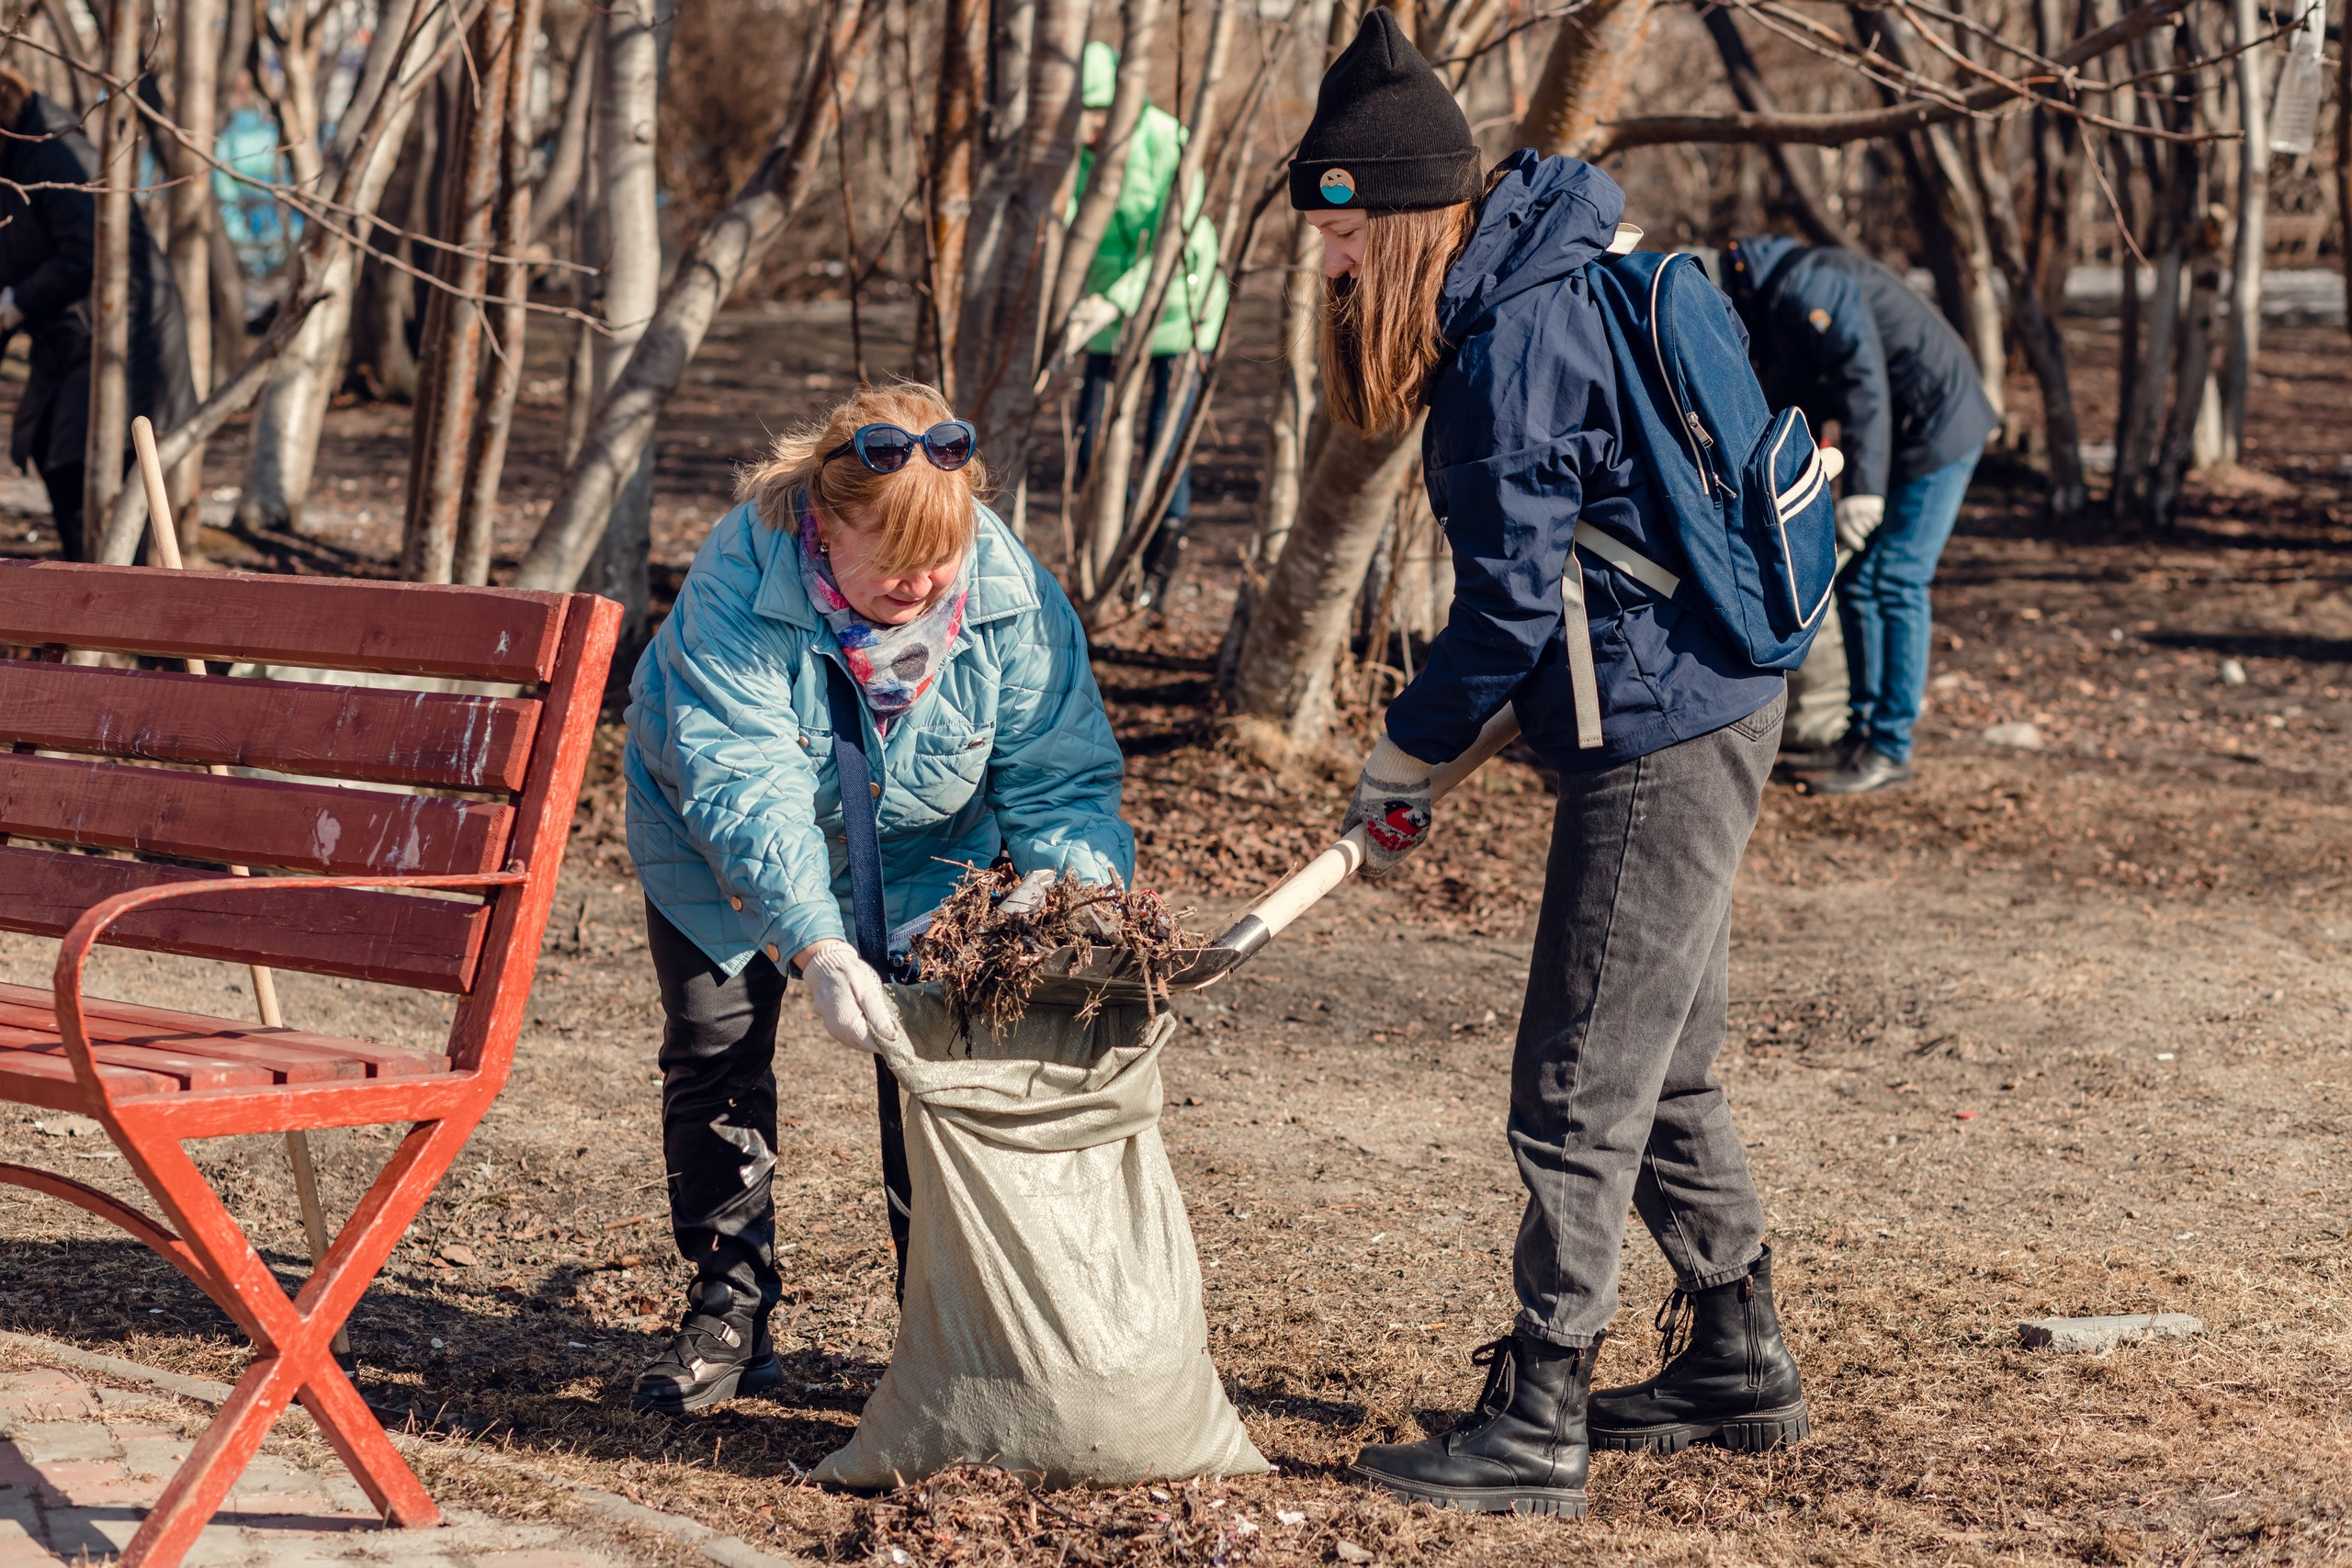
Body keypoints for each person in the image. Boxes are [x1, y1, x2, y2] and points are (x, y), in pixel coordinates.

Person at [1291, 9, 1807, 1517]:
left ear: (1399, 224)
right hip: (1698, 701)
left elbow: (1509, 610)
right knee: (1665, 1055)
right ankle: (1735, 1345)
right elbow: (1571, 578)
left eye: (1337, 236)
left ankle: (1542, 1403)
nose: (1324, 269)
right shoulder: (1537, 286)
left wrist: (1398, 756)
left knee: (1575, 1074)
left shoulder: (1508, 345)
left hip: (1668, 727)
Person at [622, 383, 1135, 1414]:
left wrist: (1068, 891)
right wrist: (813, 942)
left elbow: (1056, 772)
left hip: (924, 857)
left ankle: (935, 1323)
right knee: (716, 1052)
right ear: (824, 524)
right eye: (893, 562)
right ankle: (730, 1307)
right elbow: (744, 779)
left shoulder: (1006, 590)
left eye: (940, 559)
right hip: (720, 849)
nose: (923, 582)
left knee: (933, 1076)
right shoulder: (743, 574)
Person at [1724, 235, 1997, 795]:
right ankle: (1862, 734)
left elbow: (1864, 384)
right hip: (1901, 437)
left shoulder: (1812, 286)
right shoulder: (1783, 301)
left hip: (1939, 428)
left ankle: (1890, 746)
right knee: (1858, 585)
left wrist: (1864, 492)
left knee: (1894, 578)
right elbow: (1790, 396)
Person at [1057, 39, 1229, 614]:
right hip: (1103, 321)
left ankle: (1158, 569)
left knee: (1161, 442)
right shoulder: (1068, 153)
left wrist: (1114, 301)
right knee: (1092, 442)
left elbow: (1175, 244)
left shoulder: (1167, 140)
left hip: (1180, 312)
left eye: (1097, 115)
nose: (1087, 129)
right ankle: (1118, 552)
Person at [0, 69, 196, 559]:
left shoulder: (54, 149)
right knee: (50, 449)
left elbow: (89, 248)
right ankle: (93, 593)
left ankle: (110, 601)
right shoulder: (18, 150)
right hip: (72, 333)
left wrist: (16, 304)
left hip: (124, 331)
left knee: (81, 464)